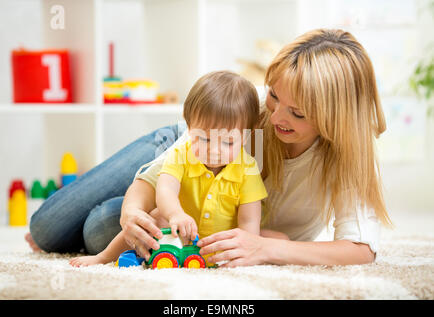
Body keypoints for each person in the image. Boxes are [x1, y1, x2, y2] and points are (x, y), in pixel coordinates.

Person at [27, 28, 392, 267]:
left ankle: (100, 222)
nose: (274, 115)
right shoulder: (250, 122)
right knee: (47, 230)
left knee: (97, 229)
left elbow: (360, 250)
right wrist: (132, 210)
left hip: (195, 213)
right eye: (274, 96)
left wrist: (264, 248)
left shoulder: (349, 156)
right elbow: (174, 163)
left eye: (296, 113)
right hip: (178, 151)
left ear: (335, 118)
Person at [69, 71, 267, 267]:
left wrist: (244, 252)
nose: (214, 150)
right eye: (204, 138)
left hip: (220, 242)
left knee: (271, 236)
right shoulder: (181, 154)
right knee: (153, 218)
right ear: (189, 127)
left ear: (247, 137)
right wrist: (175, 214)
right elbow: (165, 190)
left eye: (228, 142)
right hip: (178, 233)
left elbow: (249, 220)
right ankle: (103, 257)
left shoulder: (248, 168)